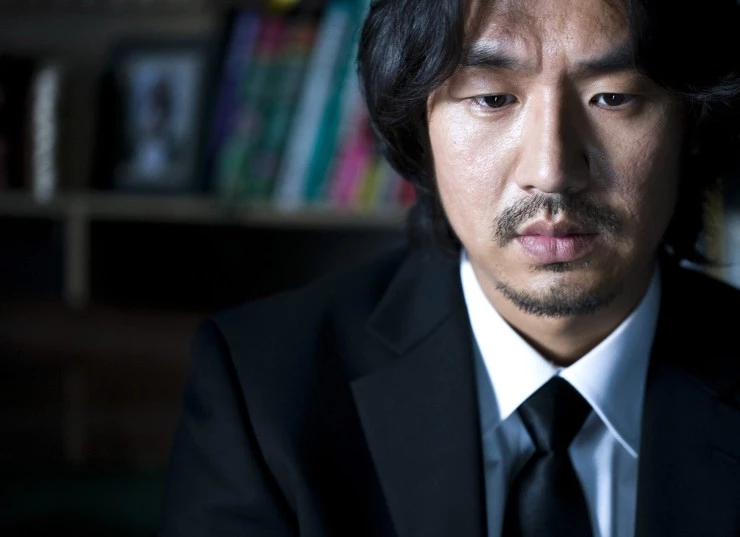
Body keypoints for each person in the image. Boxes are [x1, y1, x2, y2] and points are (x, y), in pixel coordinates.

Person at [158, 0, 740, 535]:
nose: (552, 170)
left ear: (690, 123)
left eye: (612, 97)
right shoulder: (261, 392)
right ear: (420, 125)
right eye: (492, 99)